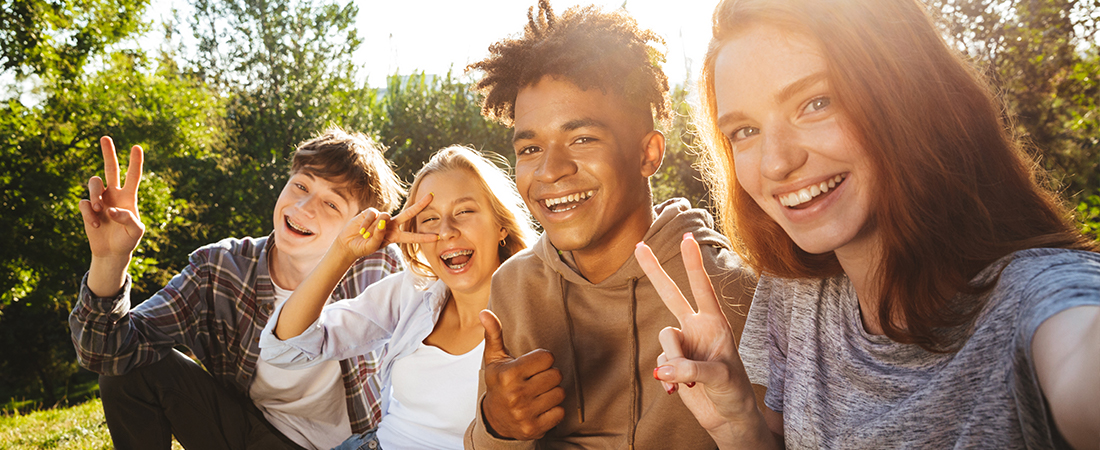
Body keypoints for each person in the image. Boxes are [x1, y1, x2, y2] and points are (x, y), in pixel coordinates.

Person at [637, 0, 1100, 448]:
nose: (777, 163)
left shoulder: (1040, 297)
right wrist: (737, 426)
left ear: (907, 93)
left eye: (816, 103)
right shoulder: (795, 295)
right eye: (745, 131)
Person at [463, 1, 757, 448]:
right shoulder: (514, 285)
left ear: (649, 154)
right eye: (529, 149)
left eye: (582, 139)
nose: (549, 170)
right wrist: (496, 426)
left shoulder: (730, 290)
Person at [70, 128, 407, 450]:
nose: (303, 208)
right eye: (301, 186)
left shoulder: (378, 266)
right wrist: (110, 259)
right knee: (126, 373)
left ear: (360, 224)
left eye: (332, 204)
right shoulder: (220, 268)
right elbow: (103, 351)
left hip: (358, 445)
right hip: (248, 435)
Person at [259, 146, 536, 450]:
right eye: (429, 219)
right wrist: (343, 252)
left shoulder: (537, 311)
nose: (446, 231)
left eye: (464, 212)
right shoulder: (413, 291)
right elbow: (285, 349)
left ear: (501, 226)